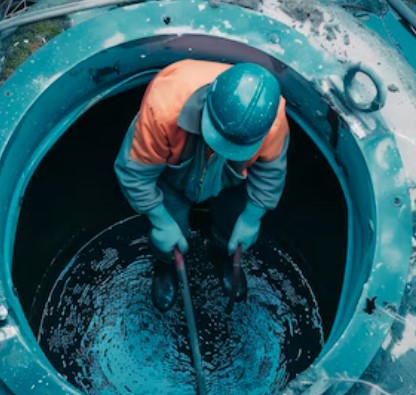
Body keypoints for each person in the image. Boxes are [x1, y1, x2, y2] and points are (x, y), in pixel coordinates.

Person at [114, 59, 289, 311]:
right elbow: (135, 173)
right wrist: (160, 221)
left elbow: (270, 173)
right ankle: (167, 267)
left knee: (233, 226)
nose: (219, 149)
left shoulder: (271, 121)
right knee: (171, 234)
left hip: (232, 176)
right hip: (175, 176)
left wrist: (252, 218)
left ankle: (224, 257)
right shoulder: (164, 105)